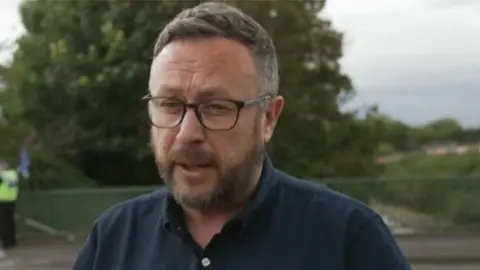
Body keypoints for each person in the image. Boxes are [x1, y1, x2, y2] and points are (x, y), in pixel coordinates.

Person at [73, 2, 411, 270]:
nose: (187, 133)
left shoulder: (348, 239)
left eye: (217, 107)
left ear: (268, 118)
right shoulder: (114, 238)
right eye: (170, 105)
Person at [0, 159, 19, 250]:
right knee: (10, 222)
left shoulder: (2, 176)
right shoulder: (13, 174)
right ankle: (12, 241)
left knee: (3, 223)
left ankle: (6, 242)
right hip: (11, 200)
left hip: (2, 200)